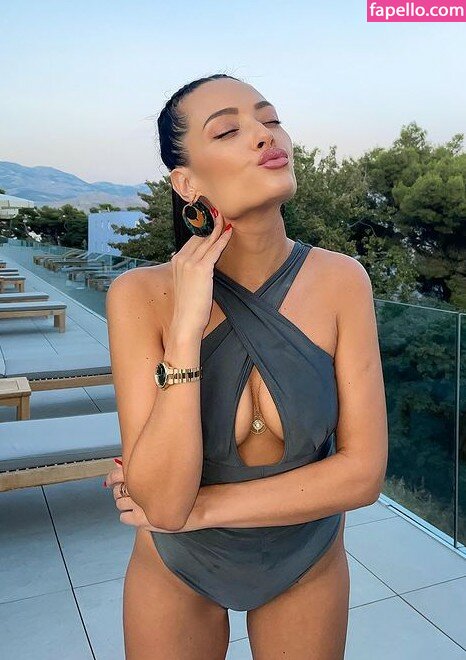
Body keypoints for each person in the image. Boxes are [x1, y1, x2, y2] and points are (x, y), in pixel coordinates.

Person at [104, 73, 388, 660]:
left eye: (270, 119)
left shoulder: (343, 281)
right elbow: (162, 502)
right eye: (228, 130)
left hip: (306, 558)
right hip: (178, 566)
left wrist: (201, 508)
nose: (265, 134)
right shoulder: (140, 296)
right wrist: (185, 333)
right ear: (186, 182)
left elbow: (363, 475)